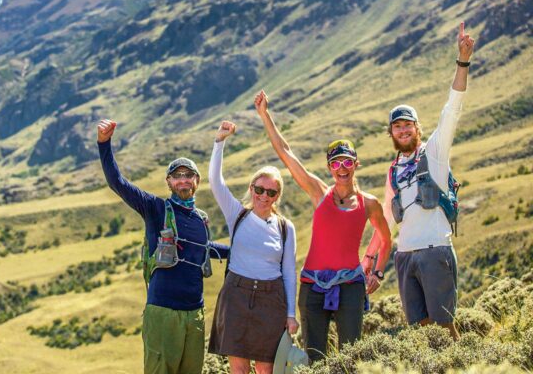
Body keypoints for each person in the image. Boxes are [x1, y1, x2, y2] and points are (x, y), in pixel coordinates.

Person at [255, 93, 392, 363]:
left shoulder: (369, 204)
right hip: (312, 286)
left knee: (351, 356)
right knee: (315, 357)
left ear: (356, 164)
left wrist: (376, 271)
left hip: (351, 285)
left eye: (347, 162)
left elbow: (386, 238)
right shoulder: (320, 193)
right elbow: (286, 154)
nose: (342, 168)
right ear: (330, 168)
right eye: (336, 163)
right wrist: (265, 115)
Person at [363, 22, 475, 340]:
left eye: (408, 125)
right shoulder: (393, 171)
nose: (403, 130)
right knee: (420, 334)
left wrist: (463, 61)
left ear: (417, 127)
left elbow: (452, 109)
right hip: (404, 256)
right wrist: (370, 265)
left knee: (445, 329)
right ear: (391, 134)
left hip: (434, 250)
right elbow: (384, 223)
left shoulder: (436, 152)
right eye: (397, 127)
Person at [97, 119, 228, 374]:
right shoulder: (156, 209)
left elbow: (204, 247)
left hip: (195, 315)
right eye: (177, 176)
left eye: (188, 175)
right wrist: (104, 143)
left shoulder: (200, 219)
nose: (183, 181)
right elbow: (117, 182)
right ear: (169, 182)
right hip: (163, 313)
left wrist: (240, 251)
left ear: (197, 181)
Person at [207, 120, 298, 374]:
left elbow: (290, 272)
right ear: (251, 188)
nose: (264, 196)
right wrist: (219, 141)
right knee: (238, 369)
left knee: (266, 370)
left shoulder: (285, 227)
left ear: (277, 196)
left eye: (271, 192)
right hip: (237, 295)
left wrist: (291, 314)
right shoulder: (237, 215)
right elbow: (215, 181)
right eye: (259, 189)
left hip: (272, 300)